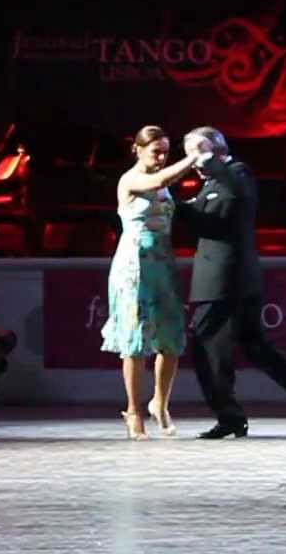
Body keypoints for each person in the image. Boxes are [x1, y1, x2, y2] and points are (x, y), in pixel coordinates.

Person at [177, 126, 286, 439]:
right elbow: (198, 218)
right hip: (228, 281)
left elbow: (222, 216)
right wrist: (168, 203)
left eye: (197, 153)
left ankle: (229, 415)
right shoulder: (213, 181)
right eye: (188, 155)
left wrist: (203, 166)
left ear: (217, 149)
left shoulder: (237, 174)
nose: (193, 162)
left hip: (228, 281)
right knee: (257, 348)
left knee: (208, 347)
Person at [99, 126, 198, 440]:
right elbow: (159, 180)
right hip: (134, 266)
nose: (161, 157)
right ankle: (133, 411)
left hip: (162, 264)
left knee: (170, 339)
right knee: (134, 342)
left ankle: (160, 402)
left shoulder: (163, 182)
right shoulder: (131, 179)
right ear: (138, 150)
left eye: (165, 151)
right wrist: (192, 157)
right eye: (156, 150)